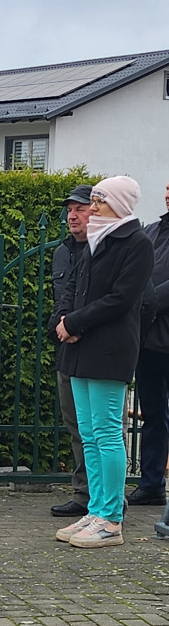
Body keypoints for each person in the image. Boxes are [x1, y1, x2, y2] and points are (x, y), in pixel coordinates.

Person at [54, 176, 154, 547]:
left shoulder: (136, 243)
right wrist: (62, 322)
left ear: (120, 203)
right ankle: (95, 509)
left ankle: (111, 518)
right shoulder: (93, 241)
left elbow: (122, 299)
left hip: (110, 348)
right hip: (79, 348)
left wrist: (75, 322)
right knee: (89, 433)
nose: (91, 208)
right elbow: (73, 289)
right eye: (92, 200)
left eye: (99, 201)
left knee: (108, 432)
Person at [49, 185, 96, 517]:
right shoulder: (62, 252)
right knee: (76, 425)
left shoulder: (109, 250)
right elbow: (59, 300)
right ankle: (83, 493)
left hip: (100, 354)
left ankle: (108, 495)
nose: (73, 216)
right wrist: (60, 328)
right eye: (69, 210)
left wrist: (81, 326)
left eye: (80, 209)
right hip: (68, 351)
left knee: (104, 429)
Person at [127, 179, 169, 507]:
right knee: (153, 414)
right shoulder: (152, 231)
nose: (167, 194)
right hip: (150, 341)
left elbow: (152, 289)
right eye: (167, 188)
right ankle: (152, 483)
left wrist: (148, 299)